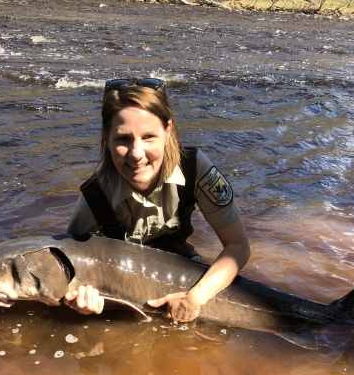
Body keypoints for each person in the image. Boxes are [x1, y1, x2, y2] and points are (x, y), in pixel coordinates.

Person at [62, 77, 250, 323]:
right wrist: (77, 299)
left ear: (168, 131)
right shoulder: (95, 195)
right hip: (125, 295)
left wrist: (196, 297)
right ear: (106, 138)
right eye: (123, 139)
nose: (136, 154)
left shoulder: (195, 169)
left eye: (148, 136)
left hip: (187, 279)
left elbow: (238, 247)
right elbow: (66, 267)